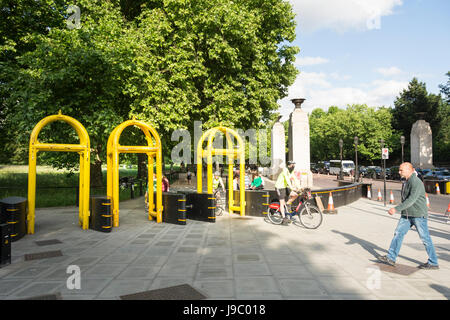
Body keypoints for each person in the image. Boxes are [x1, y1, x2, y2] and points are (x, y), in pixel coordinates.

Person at [378, 162, 439, 269]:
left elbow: (411, 199)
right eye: (399, 170)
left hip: (418, 215)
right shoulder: (407, 181)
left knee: (425, 238)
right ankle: (391, 257)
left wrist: (396, 209)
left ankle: (433, 262)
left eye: (401, 170)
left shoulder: (415, 181)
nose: (399, 172)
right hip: (407, 214)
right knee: (398, 233)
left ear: (410, 170)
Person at [275, 161, 300, 225]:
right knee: (281, 202)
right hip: (279, 187)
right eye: (292, 165)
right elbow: (287, 179)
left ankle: (287, 204)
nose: (293, 166)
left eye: (294, 165)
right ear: (288, 165)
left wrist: (299, 187)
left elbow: (295, 179)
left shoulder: (290, 171)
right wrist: (292, 188)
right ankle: (284, 218)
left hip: (285, 187)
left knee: (295, 195)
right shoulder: (285, 170)